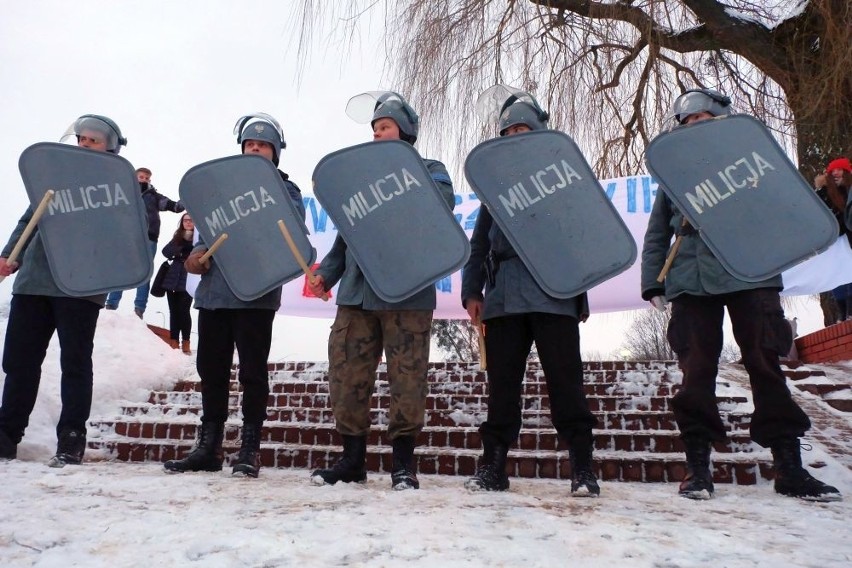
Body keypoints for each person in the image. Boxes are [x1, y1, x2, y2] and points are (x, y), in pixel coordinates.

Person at [641, 88, 842, 502]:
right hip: (691, 278)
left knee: (765, 365)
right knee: (696, 372)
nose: (695, 127)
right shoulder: (674, 173)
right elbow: (659, 230)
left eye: (702, 120)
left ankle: (789, 468)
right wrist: (653, 282)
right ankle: (698, 469)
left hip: (751, 272)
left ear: (721, 121)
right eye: (688, 122)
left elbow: (781, 208)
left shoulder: (751, 160)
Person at [308, 92, 455, 490]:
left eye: (384, 127)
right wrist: (327, 274)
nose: (377, 135)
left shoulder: (430, 169)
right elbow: (345, 238)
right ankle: (352, 461)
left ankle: (403, 465)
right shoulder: (358, 180)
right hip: (356, 295)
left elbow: (439, 204)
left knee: (408, 379)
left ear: (405, 131)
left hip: (406, 293)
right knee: (346, 375)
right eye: (374, 130)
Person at [460, 87, 599, 497]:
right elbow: (479, 245)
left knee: (566, 384)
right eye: (509, 130)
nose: (515, 135)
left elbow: (583, 239)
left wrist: (579, 295)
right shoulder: (494, 190)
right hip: (504, 298)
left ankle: (582, 468)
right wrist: (472, 292)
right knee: (502, 388)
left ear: (537, 132)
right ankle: (494, 466)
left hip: (554, 294)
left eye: (523, 128)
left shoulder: (563, 182)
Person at [163, 113, 305, 478]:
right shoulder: (220, 188)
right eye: (249, 144)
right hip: (215, 293)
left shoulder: (287, 191)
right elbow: (210, 232)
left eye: (262, 145)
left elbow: (293, 235)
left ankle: (249, 448)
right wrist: (197, 256)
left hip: (256, 293)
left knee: (253, 373)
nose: (255, 149)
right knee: (211, 369)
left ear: (276, 152)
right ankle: (208, 447)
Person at [0, 114, 128, 466]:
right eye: (82, 139)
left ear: (109, 148)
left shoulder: (115, 188)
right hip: (35, 281)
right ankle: (6, 433)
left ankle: (71, 437)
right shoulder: (53, 177)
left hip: (81, 285)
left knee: (74, 362)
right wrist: (9, 255)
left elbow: (125, 236)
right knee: (19, 361)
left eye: (94, 141)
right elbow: (30, 219)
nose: (85, 145)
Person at [105, 167, 184, 318]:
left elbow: (175, 207)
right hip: (126, 237)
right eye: (141, 177)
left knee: (144, 272)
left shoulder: (154, 197)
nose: (144, 180)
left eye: (147, 178)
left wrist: (188, 198)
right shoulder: (123, 193)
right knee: (121, 270)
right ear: (134, 177)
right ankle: (111, 304)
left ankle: (139, 308)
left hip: (148, 238)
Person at [814, 157, 852, 323]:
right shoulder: (823, 192)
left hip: (848, 237)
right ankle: (842, 311)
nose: (836, 173)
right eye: (833, 170)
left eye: (840, 170)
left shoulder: (849, 190)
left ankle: (849, 309)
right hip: (834, 240)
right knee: (838, 275)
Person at [161, 213, 195, 354]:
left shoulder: (198, 238)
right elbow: (166, 251)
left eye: (191, 220)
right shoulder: (177, 237)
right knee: (173, 311)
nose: (188, 223)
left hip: (189, 277)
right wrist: (180, 249)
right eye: (185, 220)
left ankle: (185, 341)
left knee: (184, 311)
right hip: (173, 278)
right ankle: (173, 340)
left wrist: (185, 252)